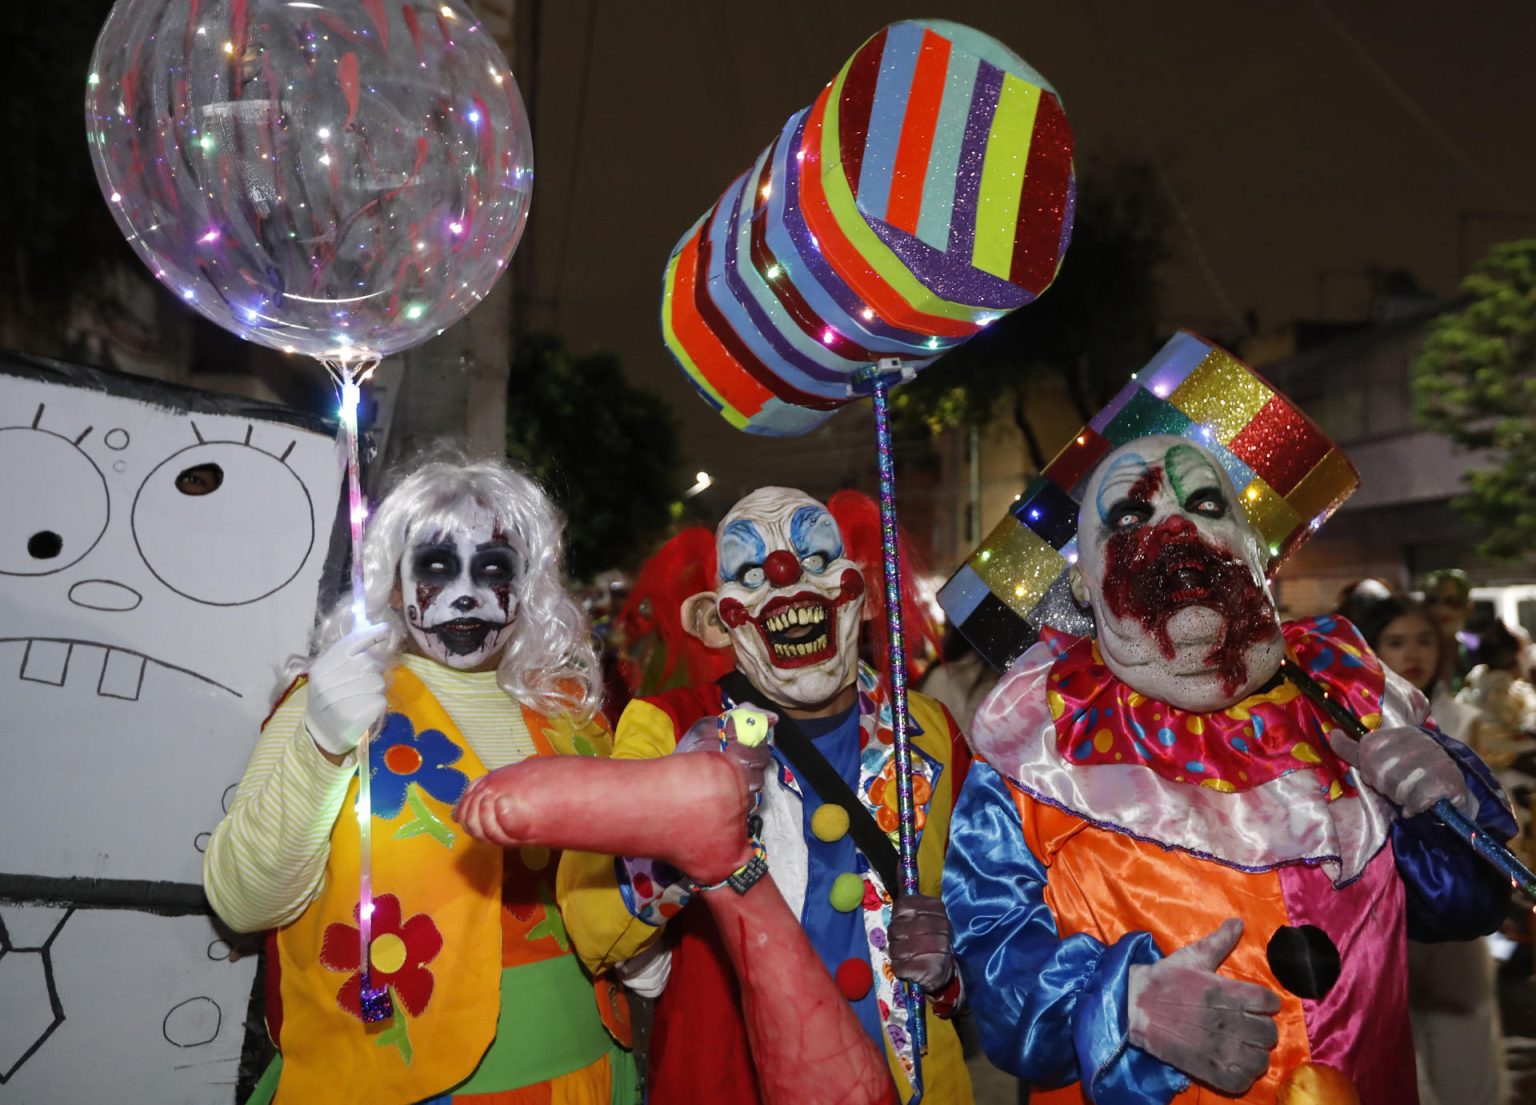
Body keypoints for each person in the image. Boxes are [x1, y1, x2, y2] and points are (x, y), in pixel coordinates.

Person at [943, 435, 1514, 1104]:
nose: (1176, 526)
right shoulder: (1037, 746)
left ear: (1256, 551)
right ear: (1082, 582)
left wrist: (1446, 803)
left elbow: (1466, 901)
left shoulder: (1348, 696)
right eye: (1130, 515)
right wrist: (1121, 1004)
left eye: (1206, 501)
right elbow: (999, 982)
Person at [204, 457, 636, 1105]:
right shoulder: (336, 702)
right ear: (394, 582)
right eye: (436, 566)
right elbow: (243, 902)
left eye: (494, 568)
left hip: (586, 1079)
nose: (466, 593)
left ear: (530, 584)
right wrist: (320, 746)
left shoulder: (574, 717)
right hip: (390, 1083)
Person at [557, 487, 974, 1105]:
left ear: (862, 595)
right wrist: (678, 818)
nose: (784, 578)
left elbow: (995, 921)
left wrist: (951, 971)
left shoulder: (932, 733)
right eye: (752, 572)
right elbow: (588, 917)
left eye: (814, 560)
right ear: (714, 620)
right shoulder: (668, 726)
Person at [1344, 592, 1502, 1105]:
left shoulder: (1461, 717)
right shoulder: (1349, 724)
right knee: (1397, 1045)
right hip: (1385, 907)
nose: (1413, 653)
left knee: (1468, 1039)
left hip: (1460, 907)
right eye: (1396, 641)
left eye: (1424, 640)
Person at [1424, 568, 1475, 691]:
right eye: (1433, 601)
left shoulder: (1475, 649)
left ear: (1469, 608)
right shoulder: (1414, 650)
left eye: (1452, 602)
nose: (1441, 609)